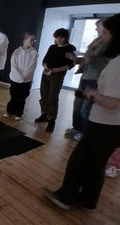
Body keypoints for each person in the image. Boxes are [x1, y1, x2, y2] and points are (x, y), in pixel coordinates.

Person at [43, 13, 120, 211]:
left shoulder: (118, 64)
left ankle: (66, 197)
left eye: (104, 32)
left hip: (105, 122)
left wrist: (91, 94)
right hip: (111, 125)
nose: (101, 36)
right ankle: (88, 199)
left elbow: (112, 102)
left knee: (80, 160)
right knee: (96, 163)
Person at [65, 19, 109, 141]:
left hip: (95, 78)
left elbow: (104, 62)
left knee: (86, 107)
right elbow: (87, 59)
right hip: (85, 76)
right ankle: (77, 128)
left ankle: (85, 133)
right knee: (77, 104)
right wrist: (75, 58)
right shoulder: (97, 40)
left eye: (98, 27)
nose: (96, 30)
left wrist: (90, 58)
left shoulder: (109, 43)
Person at [34, 28, 76, 132]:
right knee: (44, 95)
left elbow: (71, 63)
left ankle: (52, 119)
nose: (58, 39)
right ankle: (44, 114)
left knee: (53, 97)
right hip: (46, 73)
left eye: (61, 38)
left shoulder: (70, 48)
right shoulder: (52, 47)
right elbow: (45, 60)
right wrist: (45, 66)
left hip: (57, 76)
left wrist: (59, 69)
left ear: (66, 38)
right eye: (57, 37)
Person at [4, 32, 38, 120]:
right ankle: (10, 111)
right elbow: (13, 65)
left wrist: (24, 77)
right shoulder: (17, 51)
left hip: (26, 80)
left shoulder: (34, 53)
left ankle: (19, 113)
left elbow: (32, 66)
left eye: (34, 40)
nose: (32, 41)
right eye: (31, 39)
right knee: (13, 95)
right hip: (15, 78)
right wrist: (19, 76)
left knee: (22, 97)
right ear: (24, 40)